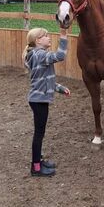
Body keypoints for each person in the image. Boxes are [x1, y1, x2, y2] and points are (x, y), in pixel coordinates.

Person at [23, 27, 70, 177]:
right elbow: (60, 56)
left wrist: (60, 88)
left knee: (40, 133)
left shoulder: (36, 55)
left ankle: (39, 161)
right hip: (39, 100)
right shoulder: (40, 55)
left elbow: (44, 81)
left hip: (38, 99)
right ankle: (36, 168)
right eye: (46, 36)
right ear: (38, 41)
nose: (49, 38)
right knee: (39, 134)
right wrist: (63, 37)